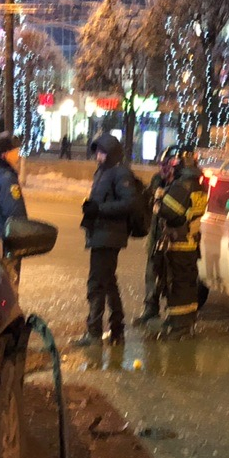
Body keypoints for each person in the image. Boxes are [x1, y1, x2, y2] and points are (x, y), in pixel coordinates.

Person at [77, 133, 137, 346]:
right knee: (109, 282)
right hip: (101, 233)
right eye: (97, 152)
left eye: (102, 152)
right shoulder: (103, 172)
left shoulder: (120, 173)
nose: (98, 156)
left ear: (110, 153)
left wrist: (99, 209)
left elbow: (129, 203)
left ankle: (94, 333)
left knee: (96, 284)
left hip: (109, 236)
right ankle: (117, 329)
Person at [155, 148, 207, 340]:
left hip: (179, 243)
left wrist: (158, 199)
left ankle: (180, 328)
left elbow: (168, 212)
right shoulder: (197, 185)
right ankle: (182, 322)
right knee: (186, 284)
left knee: (178, 286)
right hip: (190, 244)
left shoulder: (181, 186)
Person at [133, 145, 181, 326]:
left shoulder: (179, 185)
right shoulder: (156, 180)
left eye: (166, 165)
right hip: (155, 237)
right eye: (161, 165)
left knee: (170, 278)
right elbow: (147, 205)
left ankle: (172, 314)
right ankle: (150, 310)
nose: (162, 169)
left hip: (172, 240)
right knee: (151, 275)